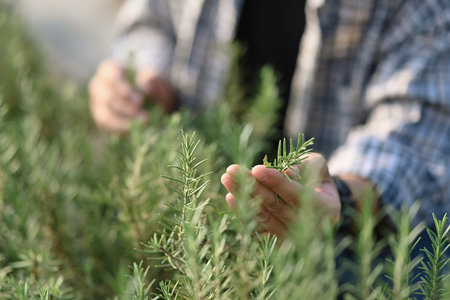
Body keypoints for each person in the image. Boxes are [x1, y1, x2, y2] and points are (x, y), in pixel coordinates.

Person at [89, 0, 450, 238]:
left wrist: (343, 194)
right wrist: (147, 83)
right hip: (186, 212)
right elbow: (152, 21)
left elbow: (417, 137)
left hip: (343, 239)